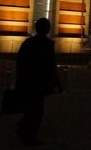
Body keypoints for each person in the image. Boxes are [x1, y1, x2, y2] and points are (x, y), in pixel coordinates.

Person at [15, 17, 62, 146]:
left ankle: (23, 128)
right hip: (39, 83)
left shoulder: (28, 42)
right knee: (37, 111)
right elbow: (50, 65)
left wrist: (19, 80)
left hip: (28, 81)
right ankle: (29, 135)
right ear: (47, 29)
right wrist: (56, 83)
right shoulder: (47, 44)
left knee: (30, 107)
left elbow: (20, 62)